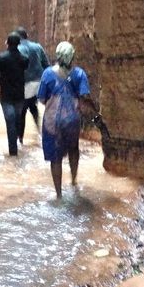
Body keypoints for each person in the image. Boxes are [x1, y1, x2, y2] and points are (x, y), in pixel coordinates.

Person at [37, 41, 95, 198]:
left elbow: (41, 99)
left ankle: (59, 194)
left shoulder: (48, 74)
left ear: (57, 56)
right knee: (73, 149)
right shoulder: (79, 74)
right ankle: (74, 181)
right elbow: (84, 96)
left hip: (52, 123)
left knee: (55, 158)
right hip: (72, 121)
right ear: (73, 56)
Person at [0, 32, 29, 156]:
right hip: (19, 95)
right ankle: (16, 144)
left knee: (10, 122)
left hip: (6, 96)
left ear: (7, 43)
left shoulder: (1, 58)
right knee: (17, 119)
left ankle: (13, 152)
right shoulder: (24, 59)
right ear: (18, 44)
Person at [15, 26, 50, 144]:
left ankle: (20, 140)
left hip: (25, 84)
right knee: (33, 107)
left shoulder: (17, 48)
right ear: (27, 36)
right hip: (39, 83)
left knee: (22, 111)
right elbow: (46, 64)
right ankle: (40, 134)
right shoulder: (38, 47)